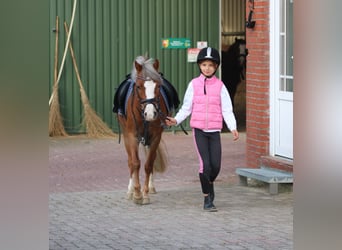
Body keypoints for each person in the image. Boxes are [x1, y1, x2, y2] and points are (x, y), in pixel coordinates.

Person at [165, 47, 239, 212]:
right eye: (204, 64)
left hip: (214, 131)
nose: (207, 68)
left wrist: (232, 127)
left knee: (216, 166)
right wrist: (176, 120)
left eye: (211, 65)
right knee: (205, 165)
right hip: (199, 131)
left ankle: (209, 183)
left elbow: (227, 109)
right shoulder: (194, 84)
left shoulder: (220, 86)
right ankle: (207, 199)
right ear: (200, 65)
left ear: (216, 67)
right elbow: (186, 107)